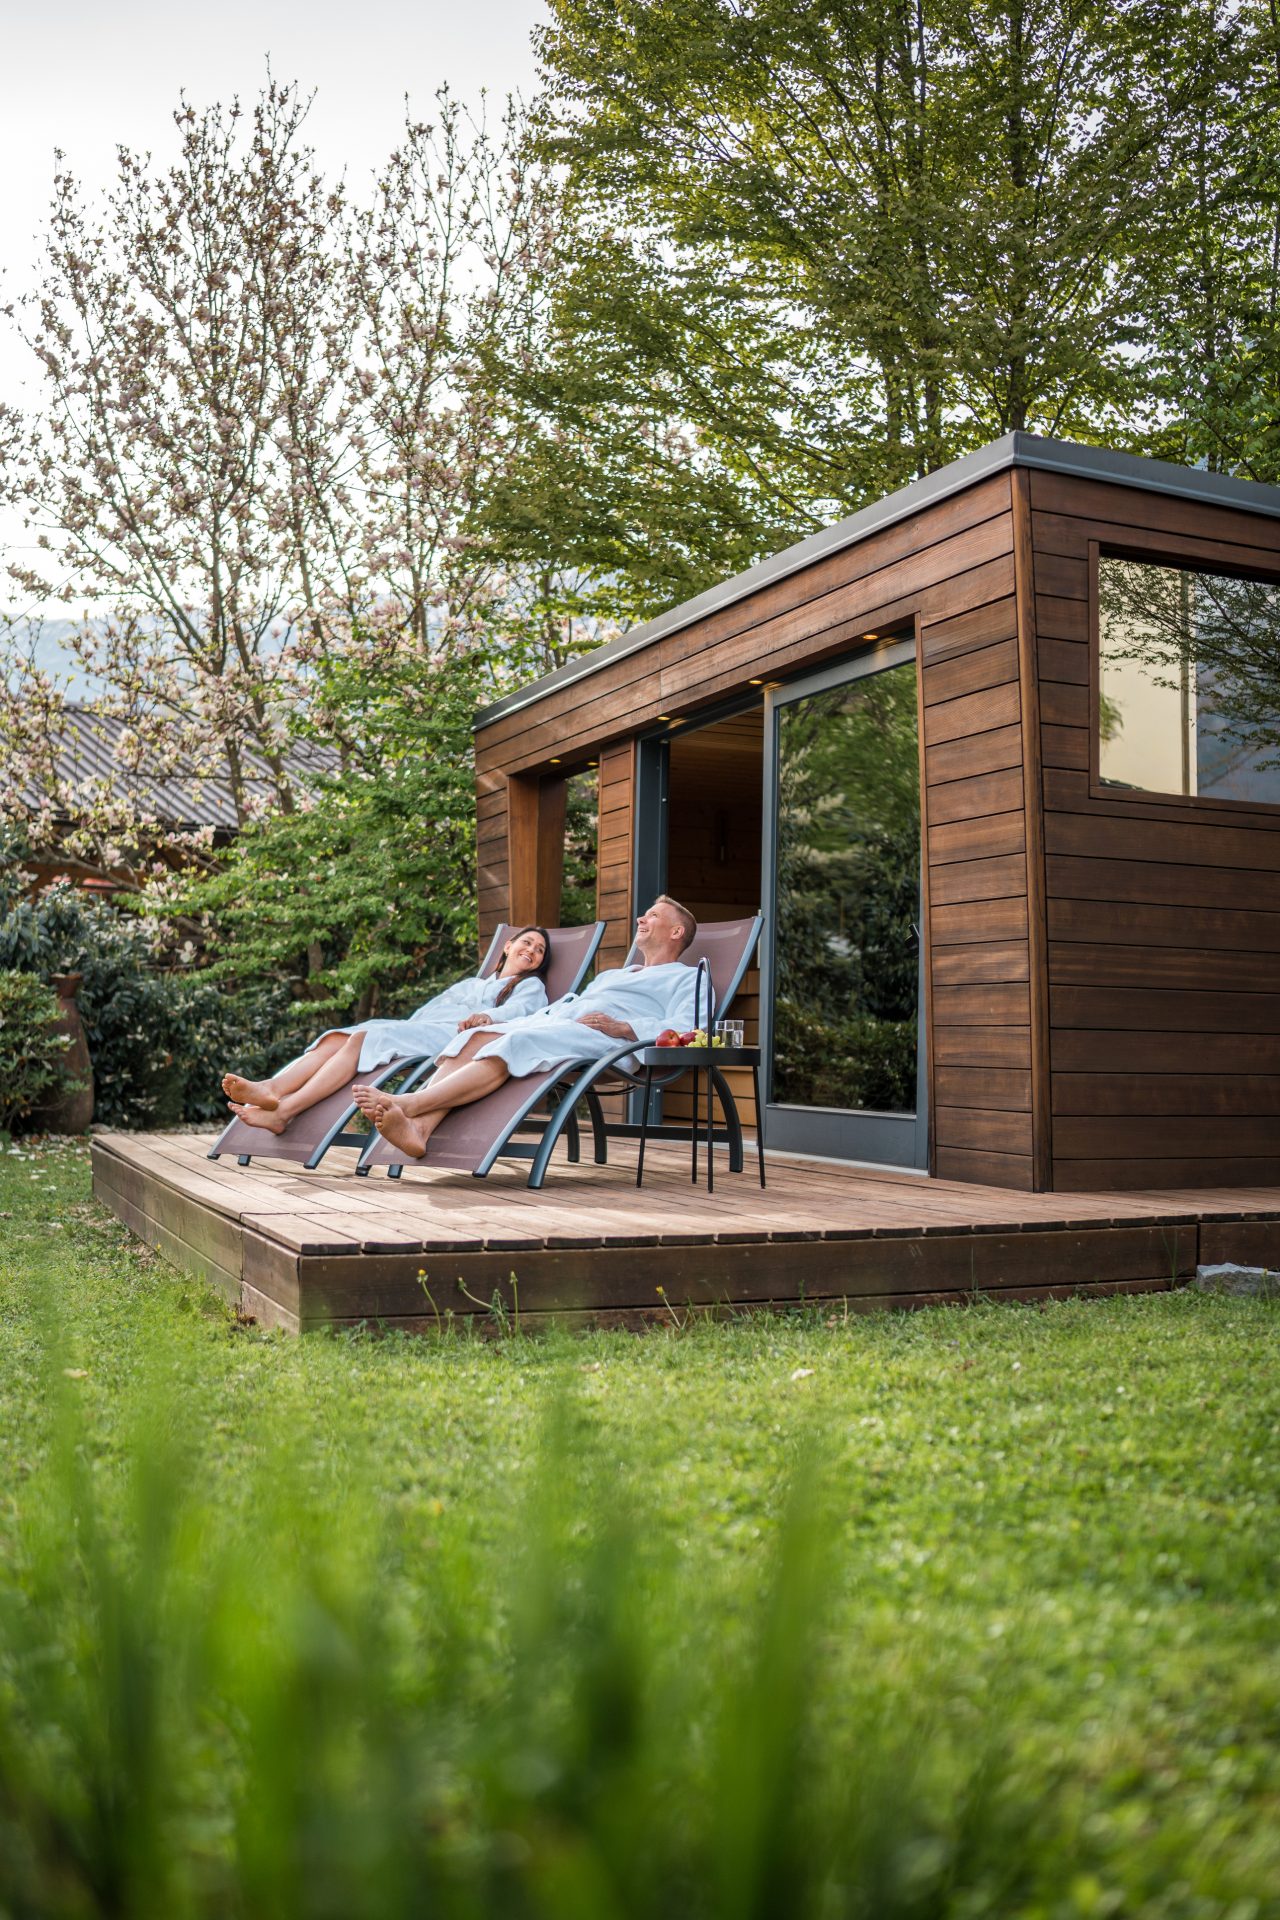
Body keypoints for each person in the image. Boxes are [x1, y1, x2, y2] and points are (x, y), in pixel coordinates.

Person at [351, 896, 700, 1163]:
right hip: (559, 1023)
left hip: (601, 1040)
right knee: (475, 1037)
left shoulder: (688, 977)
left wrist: (625, 1027)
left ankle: (409, 1104)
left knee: (517, 1041)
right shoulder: (615, 975)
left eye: (653, 915)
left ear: (676, 931)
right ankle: (419, 1129)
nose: (641, 918)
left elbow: (689, 1029)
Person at [221, 926, 551, 1135]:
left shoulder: (530, 986)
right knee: (341, 1035)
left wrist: (485, 1018)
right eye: (528, 942)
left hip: (453, 1037)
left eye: (539, 950)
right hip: (420, 1027)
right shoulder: (472, 983)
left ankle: (285, 1111)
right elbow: (424, 1012)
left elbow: (522, 1013)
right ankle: (272, 1088)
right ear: (507, 947)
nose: (533, 951)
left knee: (365, 1038)